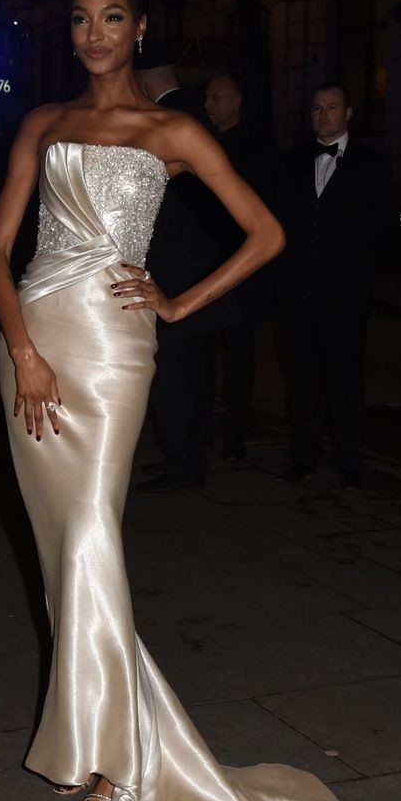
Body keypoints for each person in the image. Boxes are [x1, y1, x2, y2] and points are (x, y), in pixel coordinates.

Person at [0, 0, 345, 801]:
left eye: (112, 17)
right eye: (82, 19)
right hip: (32, 339)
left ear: (139, 28)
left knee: (92, 533)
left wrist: (178, 303)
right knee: (59, 549)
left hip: (112, 347)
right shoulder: (43, 122)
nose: (96, 32)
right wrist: (23, 350)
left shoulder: (173, 131)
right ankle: (88, 732)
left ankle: (117, 757)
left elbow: (266, 232)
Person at [275, 83, 398, 489]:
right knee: (301, 377)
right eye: (316, 108)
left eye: (331, 107)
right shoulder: (293, 161)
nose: (323, 114)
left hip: (346, 294)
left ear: (348, 113)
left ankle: (349, 461)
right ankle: (302, 456)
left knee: (345, 378)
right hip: (299, 293)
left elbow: (385, 226)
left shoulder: (372, 164)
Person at [137, 42, 243, 492]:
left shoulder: (166, 122)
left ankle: (183, 464)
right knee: (197, 374)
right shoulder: (198, 118)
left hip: (175, 271)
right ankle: (189, 456)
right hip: (204, 269)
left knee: (175, 377)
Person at [202, 70, 279, 462]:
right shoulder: (203, 142)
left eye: (216, 98)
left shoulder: (257, 149)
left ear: (236, 103)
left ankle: (235, 436)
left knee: (239, 355)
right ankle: (203, 432)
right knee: (205, 353)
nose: (208, 105)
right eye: (207, 98)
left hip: (242, 269)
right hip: (206, 263)